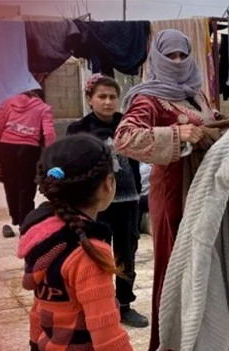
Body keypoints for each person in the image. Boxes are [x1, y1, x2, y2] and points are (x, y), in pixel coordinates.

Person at [16, 135, 160, 351]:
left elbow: (40, 312)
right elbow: (106, 333)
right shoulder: (88, 252)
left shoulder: (43, 236)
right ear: (109, 184)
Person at [114, 30, 221, 351]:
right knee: (175, 262)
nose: (177, 62)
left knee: (201, 260)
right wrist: (176, 133)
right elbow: (124, 138)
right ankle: (173, 342)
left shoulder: (196, 93)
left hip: (201, 187)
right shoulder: (148, 97)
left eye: (182, 55)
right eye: (170, 56)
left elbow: (207, 123)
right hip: (172, 191)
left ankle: (202, 334)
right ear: (158, 59)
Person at [66, 74, 148, 328]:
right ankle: (95, 305)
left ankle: (124, 305)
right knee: (94, 254)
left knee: (126, 254)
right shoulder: (78, 130)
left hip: (128, 201)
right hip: (95, 205)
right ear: (89, 99)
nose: (108, 102)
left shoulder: (127, 124)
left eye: (113, 97)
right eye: (102, 96)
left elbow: (138, 160)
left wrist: (140, 194)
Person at [0, 89, 56, 238]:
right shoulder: (43, 108)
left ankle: (15, 215)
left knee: (10, 184)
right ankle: (25, 223)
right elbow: (49, 133)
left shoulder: (8, 103)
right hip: (29, 150)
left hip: (7, 147)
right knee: (26, 188)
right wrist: (49, 152)